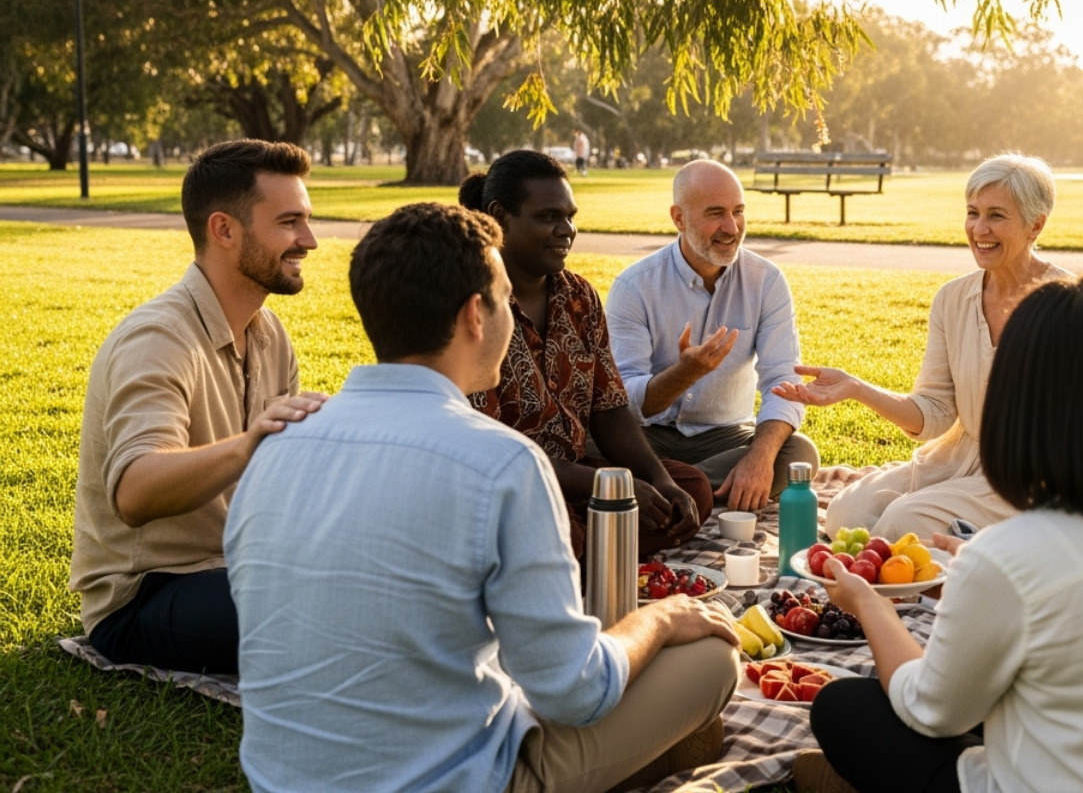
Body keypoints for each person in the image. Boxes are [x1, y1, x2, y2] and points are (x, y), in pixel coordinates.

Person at [226, 202, 738, 793]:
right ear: (476, 315)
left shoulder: (275, 445)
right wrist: (662, 619)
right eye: (503, 298)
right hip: (450, 779)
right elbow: (575, 690)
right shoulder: (501, 461)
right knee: (711, 657)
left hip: (279, 778)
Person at [797, 278, 1083, 793]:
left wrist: (871, 605)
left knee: (845, 707)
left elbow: (931, 710)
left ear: (1018, 401)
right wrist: (983, 577)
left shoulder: (1011, 557)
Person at [69, 139, 326, 674]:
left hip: (236, 568)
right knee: (339, 615)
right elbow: (136, 491)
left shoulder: (269, 333)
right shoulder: (158, 337)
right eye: (289, 222)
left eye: (307, 219)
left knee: (386, 579)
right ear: (224, 230)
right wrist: (251, 444)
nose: (310, 239)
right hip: (145, 596)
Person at [774, 154, 1070, 538]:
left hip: (1031, 474)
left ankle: (1012, 539)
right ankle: (968, 535)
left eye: (997, 215)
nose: (979, 229)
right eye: (972, 212)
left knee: (903, 523)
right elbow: (935, 413)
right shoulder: (952, 299)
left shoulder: (1067, 304)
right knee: (846, 514)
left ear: (1036, 225)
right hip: (958, 457)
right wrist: (856, 388)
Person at [460, 150, 711, 559]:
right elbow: (493, 450)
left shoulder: (578, 296)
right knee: (562, 532)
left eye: (569, 216)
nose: (566, 230)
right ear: (498, 217)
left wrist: (658, 480)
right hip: (510, 485)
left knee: (690, 488)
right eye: (547, 217)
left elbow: (609, 408)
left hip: (578, 476)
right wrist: (614, 488)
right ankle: (579, 548)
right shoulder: (473, 304)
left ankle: (582, 549)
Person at [605, 160, 819, 512]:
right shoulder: (634, 286)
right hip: (645, 438)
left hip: (723, 437)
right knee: (581, 443)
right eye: (716, 213)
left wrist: (760, 458)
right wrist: (683, 374)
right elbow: (625, 401)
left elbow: (783, 381)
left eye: (738, 212)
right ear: (679, 218)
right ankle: (694, 490)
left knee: (799, 454)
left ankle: (661, 491)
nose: (731, 227)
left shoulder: (766, 281)